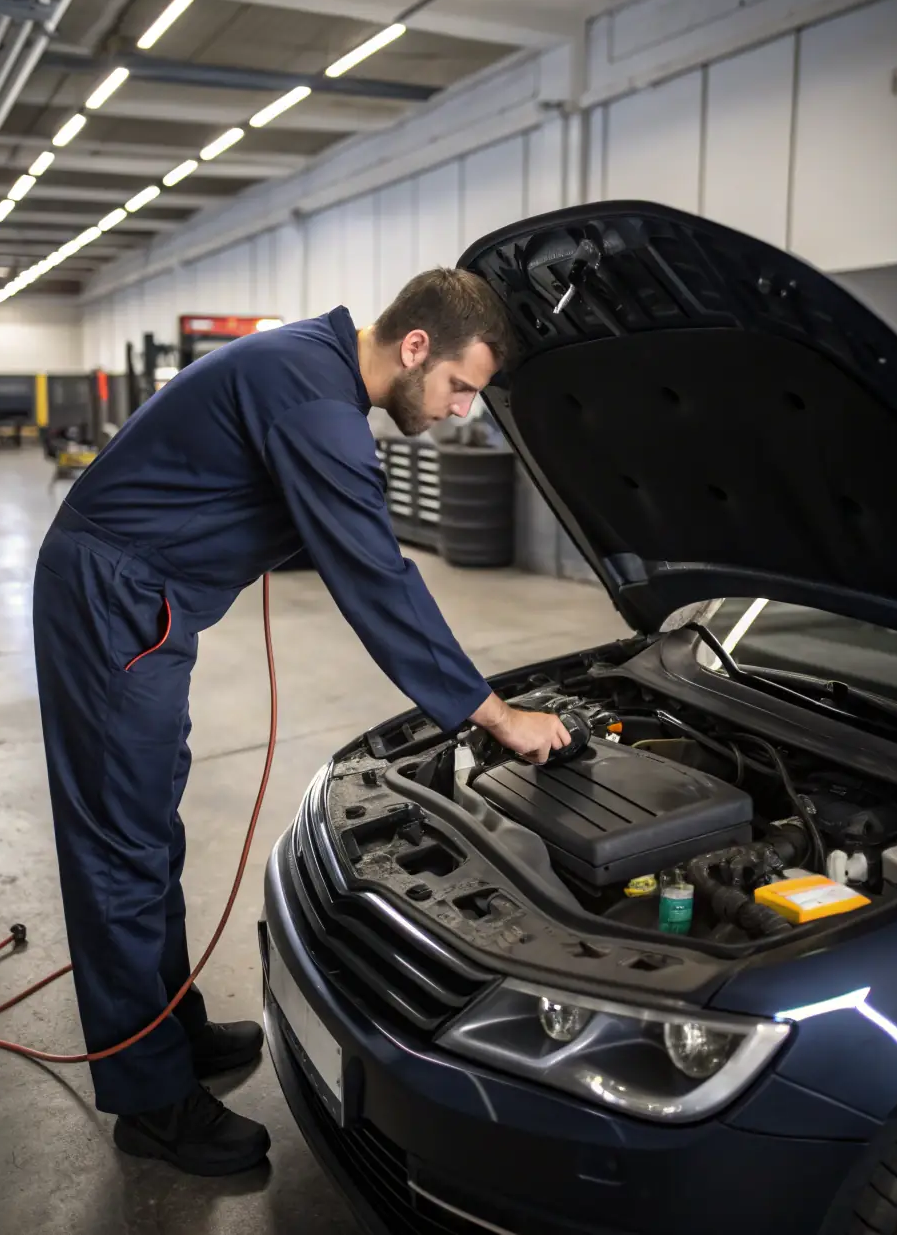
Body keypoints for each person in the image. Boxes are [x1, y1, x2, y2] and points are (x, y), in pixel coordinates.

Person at [32, 268, 571, 1177]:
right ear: (414, 348)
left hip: (143, 604)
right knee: (120, 850)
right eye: (459, 386)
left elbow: (331, 528)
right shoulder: (314, 399)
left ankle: (172, 1031)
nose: (459, 409)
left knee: (149, 836)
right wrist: (493, 713)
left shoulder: (313, 374)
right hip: (112, 604)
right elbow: (377, 577)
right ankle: (151, 1102)